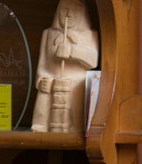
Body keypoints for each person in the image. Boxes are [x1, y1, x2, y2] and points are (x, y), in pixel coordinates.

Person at [30, 0, 99, 132]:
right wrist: (41, 78)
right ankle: (41, 124)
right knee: (45, 91)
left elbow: (93, 61)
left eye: (75, 10)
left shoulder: (90, 34)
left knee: (79, 88)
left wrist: (72, 51)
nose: (68, 14)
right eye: (64, 10)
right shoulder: (48, 34)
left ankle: (76, 126)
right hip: (52, 78)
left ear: (83, 13)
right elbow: (42, 64)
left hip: (77, 81)